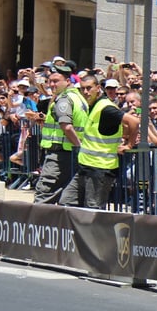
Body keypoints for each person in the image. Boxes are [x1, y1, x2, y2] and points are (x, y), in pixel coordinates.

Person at [60, 73, 140, 209]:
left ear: (98, 88)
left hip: (100, 169)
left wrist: (129, 145)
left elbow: (134, 122)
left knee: (93, 208)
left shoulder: (105, 107)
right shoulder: (93, 106)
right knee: (66, 202)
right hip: (86, 166)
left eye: (89, 88)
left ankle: (95, 230)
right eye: (82, 89)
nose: (85, 92)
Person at [33, 66, 89, 204]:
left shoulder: (64, 99)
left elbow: (67, 126)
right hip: (70, 154)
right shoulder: (78, 98)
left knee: (44, 195)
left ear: (68, 81)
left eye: (56, 81)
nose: (52, 84)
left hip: (60, 155)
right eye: (50, 81)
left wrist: (79, 147)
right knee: (68, 199)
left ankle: (37, 225)